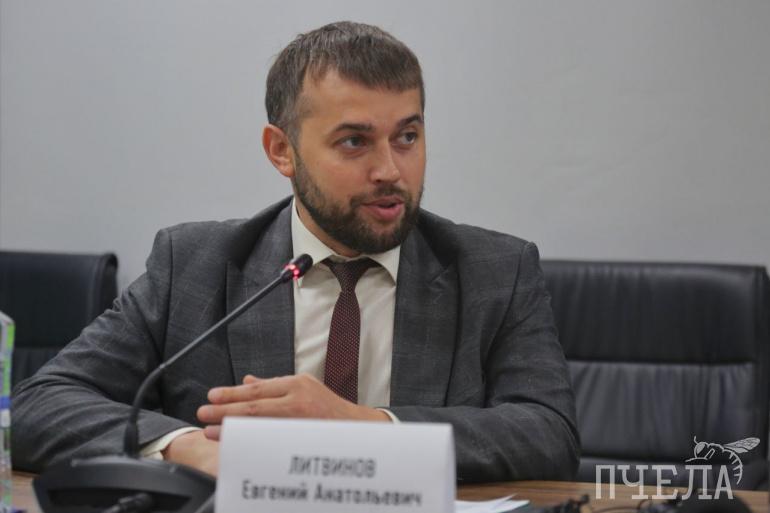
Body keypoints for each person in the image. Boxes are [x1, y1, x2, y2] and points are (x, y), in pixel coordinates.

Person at [12, 21, 579, 482]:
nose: (390, 170)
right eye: (354, 141)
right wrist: (187, 448)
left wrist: (363, 426)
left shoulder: (495, 272)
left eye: (407, 136)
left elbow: (548, 432)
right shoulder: (194, 265)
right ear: (281, 151)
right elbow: (41, 404)